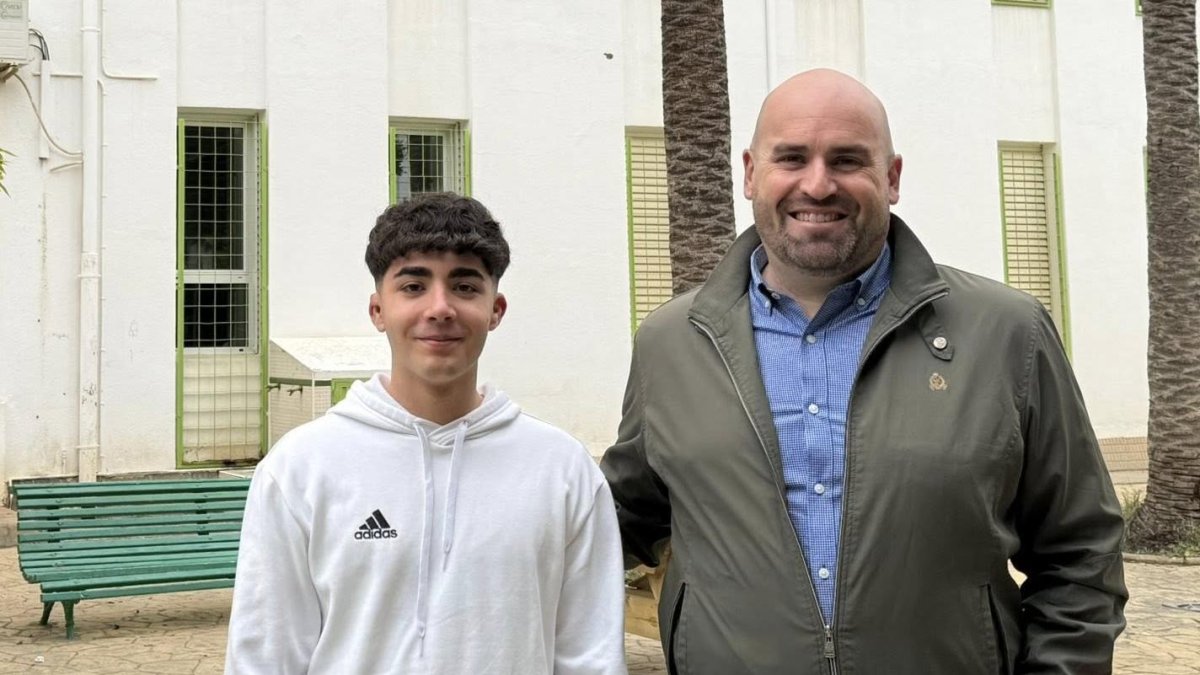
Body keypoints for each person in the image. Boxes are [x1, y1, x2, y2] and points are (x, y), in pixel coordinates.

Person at [600, 69, 1127, 674]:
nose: (817, 184)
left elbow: (1081, 550)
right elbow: (617, 519)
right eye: (791, 157)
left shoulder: (1008, 332)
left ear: (892, 177)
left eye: (847, 159)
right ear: (750, 172)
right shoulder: (672, 342)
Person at [226, 193, 627, 674]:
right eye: (414, 286)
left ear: (496, 309)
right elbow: (265, 657)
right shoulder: (300, 469)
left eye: (464, 286)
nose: (440, 308)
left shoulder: (562, 469)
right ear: (378, 310)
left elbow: (591, 656)